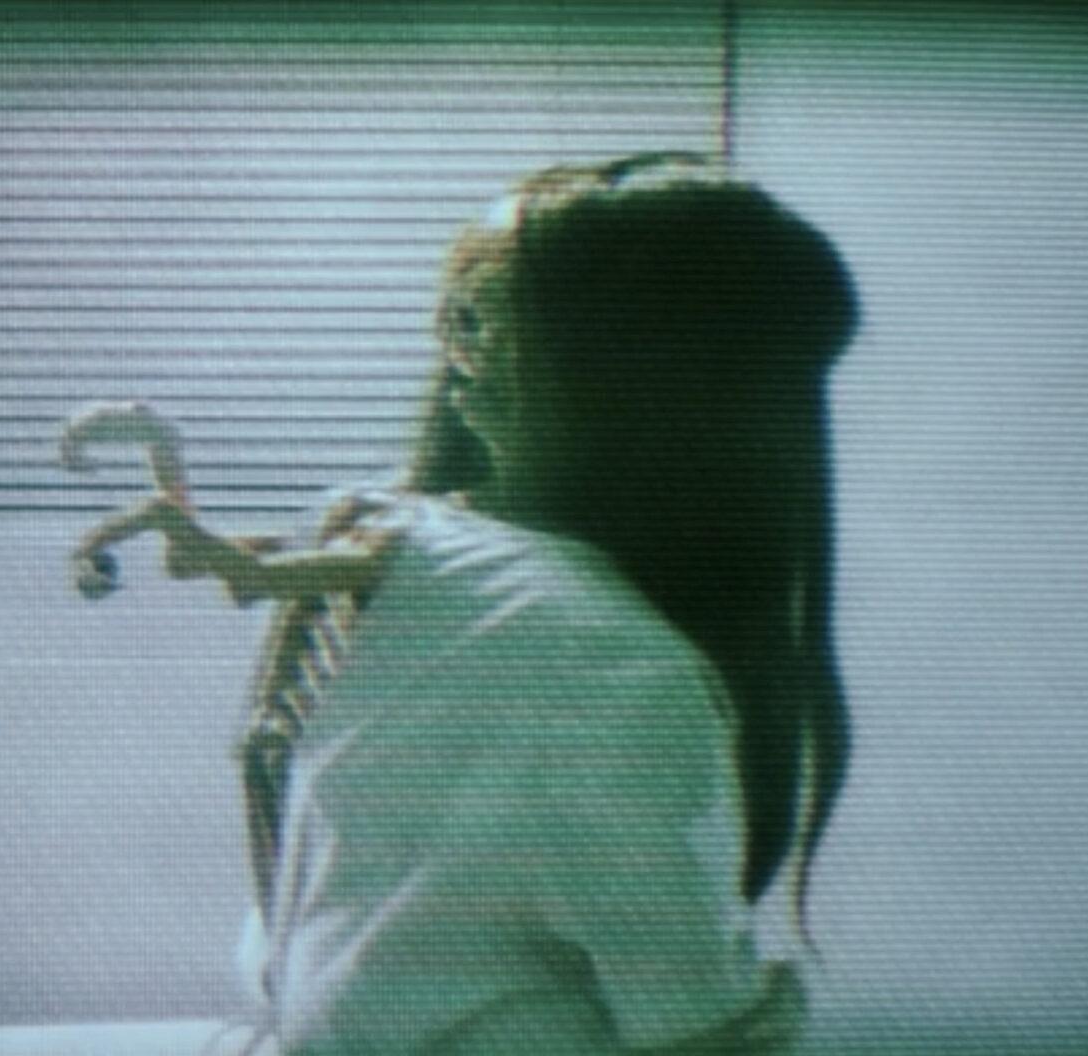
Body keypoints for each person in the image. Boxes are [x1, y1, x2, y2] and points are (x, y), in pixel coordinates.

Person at [87, 153, 856, 1055]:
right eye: (458, 303)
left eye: (493, 309)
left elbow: (702, 1034)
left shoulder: (617, 681)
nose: (449, 336)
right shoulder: (419, 547)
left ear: (634, 369)